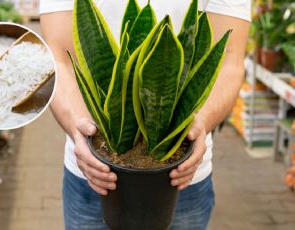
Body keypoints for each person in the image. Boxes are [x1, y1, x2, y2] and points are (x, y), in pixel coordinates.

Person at [39, 0, 250, 229]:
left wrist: (199, 122)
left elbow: (229, 59)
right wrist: (78, 128)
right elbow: (57, 57)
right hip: (92, 173)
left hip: (182, 179)